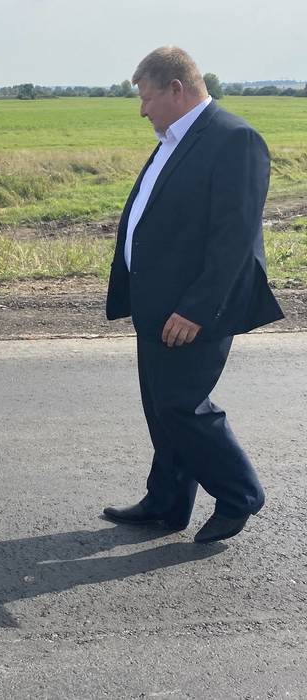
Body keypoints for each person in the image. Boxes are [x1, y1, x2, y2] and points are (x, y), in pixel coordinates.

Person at [103, 47, 284, 543]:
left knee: (182, 404)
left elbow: (234, 239)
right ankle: (167, 501)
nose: (142, 110)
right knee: (161, 408)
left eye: (146, 98)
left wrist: (196, 309)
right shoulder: (173, 139)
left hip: (193, 310)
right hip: (156, 304)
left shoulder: (234, 140)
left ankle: (240, 493)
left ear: (175, 90)